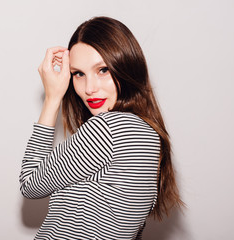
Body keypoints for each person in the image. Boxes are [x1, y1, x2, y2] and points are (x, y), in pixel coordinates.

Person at [19, 16, 183, 239]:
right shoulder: (150, 135)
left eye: (103, 70)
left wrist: (52, 98)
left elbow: (30, 185)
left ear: (126, 66)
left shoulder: (107, 128)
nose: (89, 88)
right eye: (78, 74)